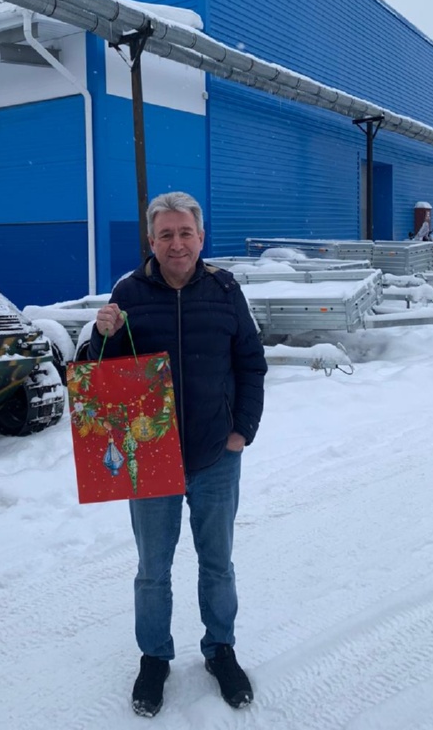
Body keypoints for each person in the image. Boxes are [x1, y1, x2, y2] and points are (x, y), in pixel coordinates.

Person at [89, 191, 267, 717]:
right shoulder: (128, 293)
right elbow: (101, 372)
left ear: (201, 237)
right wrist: (103, 335)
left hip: (216, 454)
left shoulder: (225, 290)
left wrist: (242, 430)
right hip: (150, 454)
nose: (176, 243)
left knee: (217, 564)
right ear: (151, 241)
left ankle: (220, 649)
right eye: (165, 234)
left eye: (185, 232)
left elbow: (251, 363)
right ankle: (154, 658)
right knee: (152, 569)